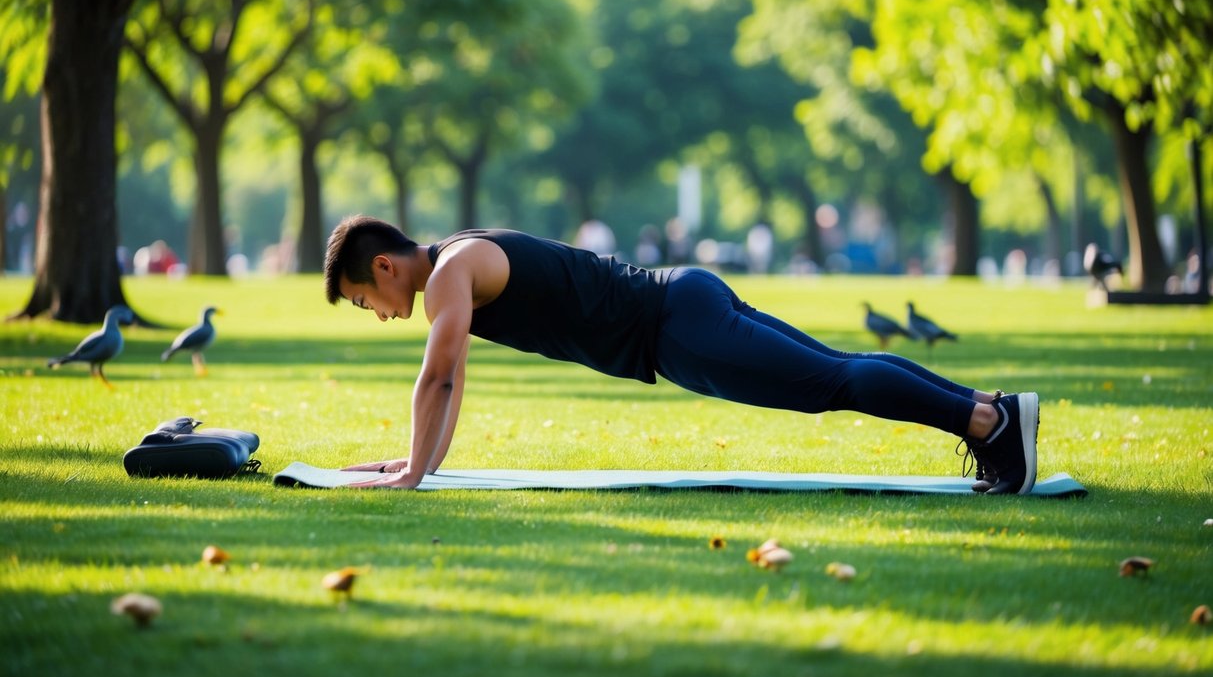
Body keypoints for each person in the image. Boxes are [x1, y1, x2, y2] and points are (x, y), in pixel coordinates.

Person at [323, 215, 1039, 494]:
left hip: (674, 327)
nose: (376, 314)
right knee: (838, 367)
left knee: (832, 382)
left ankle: (987, 428)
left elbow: (439, 375)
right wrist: (421, 464)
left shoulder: (450, 275)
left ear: (384, 268)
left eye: (363, 300)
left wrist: (413, 473)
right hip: (682, 299)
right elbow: (451, 384)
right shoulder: (460, 256)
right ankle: (991, 412)